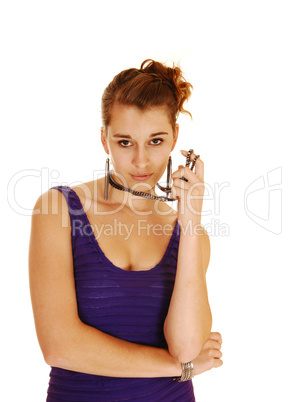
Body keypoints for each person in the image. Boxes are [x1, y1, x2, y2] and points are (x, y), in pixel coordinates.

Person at [29, 59, 223, 401]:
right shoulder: (58, 210)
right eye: (124, 142)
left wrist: (190, 222)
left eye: (156, 141)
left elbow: (187, 346)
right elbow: (60, 347)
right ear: (104, 140)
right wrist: (181, 368)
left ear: (175, 137)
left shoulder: (190, 235)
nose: (141, 161)